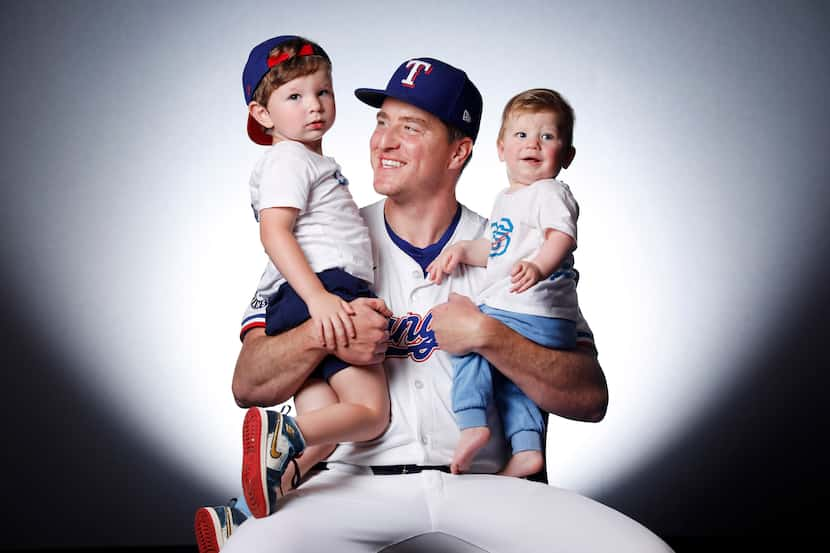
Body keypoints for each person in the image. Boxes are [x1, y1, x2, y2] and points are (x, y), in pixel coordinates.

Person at [209, 55, 674, 552]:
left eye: (410, 127)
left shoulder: (520, 243)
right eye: (381, 122)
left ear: (459, 152)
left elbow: (589, 397)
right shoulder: (329, 237)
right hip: (349, 484)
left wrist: (488, 337)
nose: (384, 141)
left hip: (487, 485)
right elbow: (248, 382)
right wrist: (328, 329)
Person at [194, 35, 394, 552]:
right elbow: (274, 233)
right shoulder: (290, 161)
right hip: (324, 288)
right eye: (295, 97)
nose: (315, 106)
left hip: (306, 297)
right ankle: (284, 435)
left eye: (322, 92)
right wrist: (322, 300)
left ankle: (237, 519)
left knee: (326, 432)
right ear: (262, 114)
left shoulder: (310, 161)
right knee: (370, 414)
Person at [426, 88, 582, 478]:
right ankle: (528, 447)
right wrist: (465, 250)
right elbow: (498, 250)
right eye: (522, 135)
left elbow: (561, 236)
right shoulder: (509, 199)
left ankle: (472, 420)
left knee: (468, 344)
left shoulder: (549, 192)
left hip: (530, 308)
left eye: (547, 137)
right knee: (515, 378)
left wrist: (540, 267)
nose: (533, 144)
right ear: (500, 147)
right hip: (533, 313)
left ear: (567, 155)